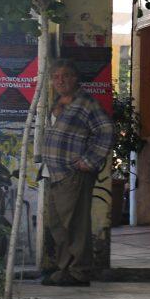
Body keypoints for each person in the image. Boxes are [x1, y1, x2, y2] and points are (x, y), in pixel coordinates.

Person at [40, 59, 114, 287]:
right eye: (55, 77)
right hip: (55, 173)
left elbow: (106, 131)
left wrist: (88, 161)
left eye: (65, 75)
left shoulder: (86, 104)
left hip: (74, 173)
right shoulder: (56, 102)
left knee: (75, 224)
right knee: (57, 223)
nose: (60, 80)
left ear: (75, 78)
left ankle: (78, 271)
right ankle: (65, 268)